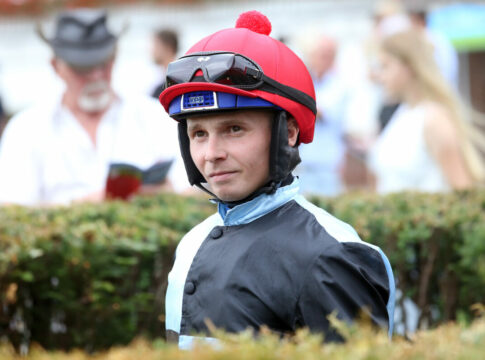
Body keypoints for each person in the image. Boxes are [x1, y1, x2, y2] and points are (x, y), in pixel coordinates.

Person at [160, 11, 395, 349]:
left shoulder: (332, 254)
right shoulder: (191, 243)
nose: (211, 153)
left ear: (288, 132)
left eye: (233, 129)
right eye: (198, 133)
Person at [0, 8, 189, 206]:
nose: (96, 76)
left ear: (114, 59)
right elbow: (12, 209)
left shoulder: (154, 116)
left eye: (103, 64)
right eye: (82, 68)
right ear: (56, 67)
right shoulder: (25, 130)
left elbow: (193, 188)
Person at [368, 29, 485, 193]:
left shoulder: (434, 120)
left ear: (409, 66)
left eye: (386, 66)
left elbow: (463, 192)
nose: (380, 76)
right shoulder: (403, 112)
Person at [295, 35, 348, 196]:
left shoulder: (339, 85)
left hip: (328, 169)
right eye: (319, 55)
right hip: (302, 167)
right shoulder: (304, 81)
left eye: (327, 55)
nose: (322, 60)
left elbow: (319, 111)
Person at [149, 29, 179, 99]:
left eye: (156, 46)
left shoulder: (177, 83)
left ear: (168, 48)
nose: (152, 50)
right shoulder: (160, 84)